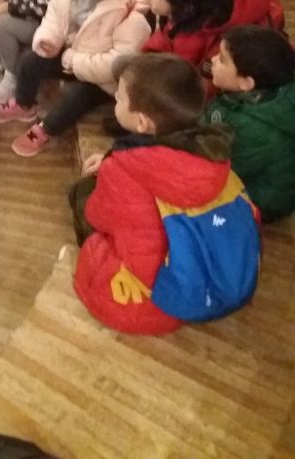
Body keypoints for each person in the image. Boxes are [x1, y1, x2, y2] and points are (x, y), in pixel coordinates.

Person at [71, 53, 260, 335]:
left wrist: (105, 172)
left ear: (142, 123)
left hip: (157, 298)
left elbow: (98, 216)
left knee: (82, 196)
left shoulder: (122, 172)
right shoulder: (212, 150)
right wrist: (113, 160)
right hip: (215, 276)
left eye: (120, 97)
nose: (115, 101)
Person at [6, 0, 149, 158]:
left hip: (101, 79)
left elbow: (117, 63)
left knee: (75, 98)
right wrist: (49, 39)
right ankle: (24, 105)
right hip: (70, 56)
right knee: (29, 61)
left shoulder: (129, 14)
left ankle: (46, 129)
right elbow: (54, 15)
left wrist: (71, 59)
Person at [139, 0, 284, 93]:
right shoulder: (189, 8)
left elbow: (209, 88)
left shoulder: (234, 39)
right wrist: (146, 60)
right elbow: (167, 37)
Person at [206, 25, 295, 221]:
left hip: (261, 201)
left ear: (246, 83)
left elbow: (225, 170)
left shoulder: (255, 129)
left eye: (222, 59)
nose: (212, 60)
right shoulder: (261, 91)